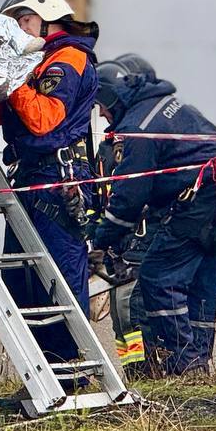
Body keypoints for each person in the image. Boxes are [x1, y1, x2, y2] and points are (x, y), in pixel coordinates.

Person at [89, 54, 216, 375]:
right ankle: (198, 364)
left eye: (102, 105)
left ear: (112, 95)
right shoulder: (173, 107)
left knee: (157, 279)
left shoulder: (139, 128)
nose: (103, 114)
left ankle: (183, 363)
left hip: (199, 203)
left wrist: (101, 239)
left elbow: (130, 196)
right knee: (202, 283)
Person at [0, 0, 99, 375]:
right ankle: (42, 373)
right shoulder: (37, 60)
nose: (19, 28)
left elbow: (43, 120)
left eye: (25, 20)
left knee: (59, 281)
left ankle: (71, 371)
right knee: (21, 278)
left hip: (57, 180)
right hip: (29, 177)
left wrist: (13, 77)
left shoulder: (67, 58)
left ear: (50, 17)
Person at [92, 53, 156, 378]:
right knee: (121, 316)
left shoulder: (148, 136)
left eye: (105, 103)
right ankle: (135, 378)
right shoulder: (109, 144)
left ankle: (152, 376)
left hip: (143, 244)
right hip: (118, 249)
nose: (101, 112)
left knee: (135, 309)